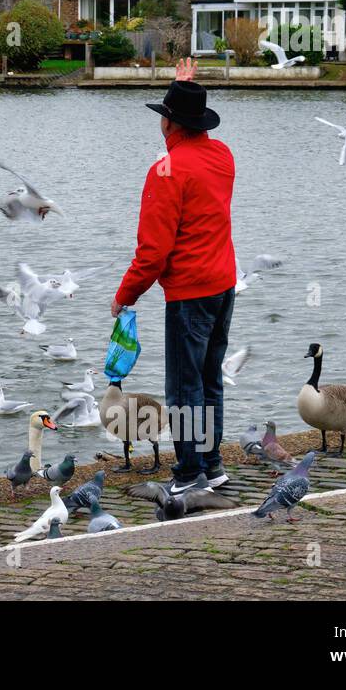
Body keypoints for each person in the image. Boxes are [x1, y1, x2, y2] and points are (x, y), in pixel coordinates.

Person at [110, 59, 236, 493]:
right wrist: (181, 91)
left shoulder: (165, 172)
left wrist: (126, 295)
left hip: (189, 292)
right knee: (209, 378)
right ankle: (212, 464)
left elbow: (153, 252)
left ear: (170, 125)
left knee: (184, 387)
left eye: (165, 115)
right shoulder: (222, 155)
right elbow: (192, 141)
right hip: (224, 285)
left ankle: (187, 475)